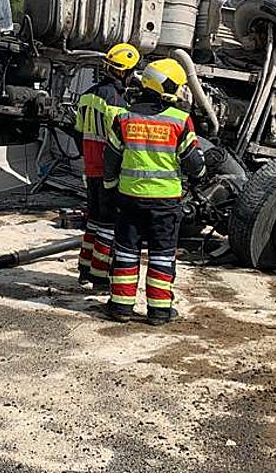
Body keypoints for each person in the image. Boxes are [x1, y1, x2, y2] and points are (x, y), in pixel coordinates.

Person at [102, 58, 206, 324]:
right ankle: (159, 311)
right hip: (165, 203)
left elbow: (110, 161)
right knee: (161, 256)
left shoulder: (124, 118)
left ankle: (120, 308)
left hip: (129, 200)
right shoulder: (180, 121)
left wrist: (110, 188)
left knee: (125, 252)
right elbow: (194, 165)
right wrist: (203, 171)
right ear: (167, 87)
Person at [73, 43, 138, 289]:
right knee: (109, 227)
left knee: (94, 221)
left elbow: (78, 132)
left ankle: (84, 268)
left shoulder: (88, 95)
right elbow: (118, 141)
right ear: (123, 72)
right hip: (107, 171)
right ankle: (99, 276)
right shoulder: (116, 102)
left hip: (90, 168)